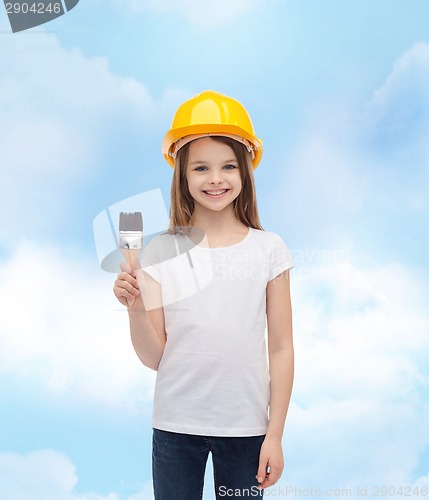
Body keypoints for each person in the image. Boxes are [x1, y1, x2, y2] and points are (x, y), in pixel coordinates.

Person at [113, 90, 294, 499]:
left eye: (228, 165)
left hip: (248, 430)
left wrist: (275, 435)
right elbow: (154, 358)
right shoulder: (158, 253)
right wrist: (135, 306)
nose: (216, 178)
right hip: (176, 427)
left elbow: (281, 348)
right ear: (182, 174)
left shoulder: (270, 250)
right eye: (201, 168)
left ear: (246, 170)